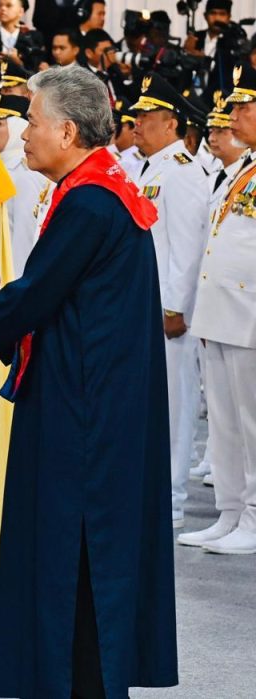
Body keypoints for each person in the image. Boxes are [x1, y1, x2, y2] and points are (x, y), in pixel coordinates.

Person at [0, 64, 178, 698]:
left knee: (70, 539)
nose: (23, 133)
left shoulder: (89, 200)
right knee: (81, 539)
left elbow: (35, 294)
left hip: (82, 403)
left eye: (32, 121)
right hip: (95, 388)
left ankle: (68, 680)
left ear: (68, 131)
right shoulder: (99, 186)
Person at [180, 60, 256, 555]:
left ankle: (254, 515)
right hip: (222, 312)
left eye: (243, 107)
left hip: (250, 316)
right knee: (225, 425)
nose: (232, 116)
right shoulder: (243, 169)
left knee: (252, 424)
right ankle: (230, 512)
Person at [131, 72, 209, 529]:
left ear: (172, 123)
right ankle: (154, 493)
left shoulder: (181, 172)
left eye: (147, 116)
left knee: (175, 406)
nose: (136, 124)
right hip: (146, 306)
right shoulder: (150, 168)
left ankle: (173, 499)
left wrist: (176, 306)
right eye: (136, 116)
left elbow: (187, 245)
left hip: (167, 312)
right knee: (151, 404)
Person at [0, 93, 49, 276]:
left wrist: (17, 282)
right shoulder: (3, 166)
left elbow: (25, 234)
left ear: (17, 127)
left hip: (9, 275)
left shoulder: (23, 172)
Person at [185, 0, 236, 100]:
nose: (217, 18)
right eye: (213, 13)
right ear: (205, 16)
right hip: (191, 98)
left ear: (229, 17)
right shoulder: (195, 38)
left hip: (220, 101)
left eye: (222, 14)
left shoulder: (233, 43)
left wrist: (205, 61)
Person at [108, 102, 145, 180]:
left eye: (120, 126)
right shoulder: (122, 155)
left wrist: (110, 145)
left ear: (129, 127)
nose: (115, 130)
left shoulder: (131, 161)